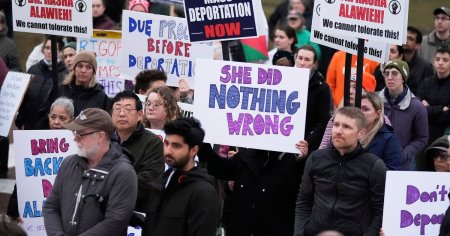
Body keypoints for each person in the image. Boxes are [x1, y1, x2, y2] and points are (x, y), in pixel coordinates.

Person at [43, 108, 138, 235]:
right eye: (74, 133)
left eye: (81, 134)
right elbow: (51, 206)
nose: (75, 139)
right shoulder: (69, 163)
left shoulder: (123, 172)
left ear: (100, 136)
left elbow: (115, 222)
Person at [295, 106, 387, 236]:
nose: (338, 131)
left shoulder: (374, 166)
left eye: (346, 127)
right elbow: (304, 200)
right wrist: (299, 233)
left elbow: (380, 211)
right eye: (336, 125)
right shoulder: (316, 158)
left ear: (361, 133)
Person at [197, 137, 308, 234]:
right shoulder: (245, 157)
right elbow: (219, 168)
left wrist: (301, 160)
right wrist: (202, 143)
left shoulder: (293, 162)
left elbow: (303, 194)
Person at [142, 117, 220, 235]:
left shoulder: (204, 193)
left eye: (176, 146)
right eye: (166, 143)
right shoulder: (163, 180)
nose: (168, 151)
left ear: (194, 150)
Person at [8, 97, 75, 220]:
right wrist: (13, 213)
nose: (56, 122)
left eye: (62, 118)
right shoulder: (34, 141)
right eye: (53, 117)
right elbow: (24, 181)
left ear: (72, 120)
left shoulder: (79, 145)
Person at [110, 91, 164, 211]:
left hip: (135, 210)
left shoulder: (153, 142)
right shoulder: (104, 138)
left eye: (128, 110)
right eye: (117, 109)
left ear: (140, 115)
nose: (122, 114)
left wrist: (110, 186)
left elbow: (149, 180)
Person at [379, 59, 429, 170]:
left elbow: (422, 138)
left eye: (394, 73)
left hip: (403, 164)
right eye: (387, 74)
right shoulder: (375, 101)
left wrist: (405, 153)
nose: (390, 77)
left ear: (403, 77)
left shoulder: (417, 107)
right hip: (376, 160)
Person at [16, 36, 67, 130]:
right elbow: (24, 97)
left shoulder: (64, 74)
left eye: (53, 48)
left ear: (60, 52)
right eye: (47, 48)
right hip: (29, 125)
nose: (49, 51)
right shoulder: (33, 69)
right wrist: (21, 121)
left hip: (50, 128)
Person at [294, 45, 331, 153]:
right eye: (300, 58)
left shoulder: (322, 88)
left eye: (307, 60)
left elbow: (323, 120)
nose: (302, 63)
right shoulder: (284, 80)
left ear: (314, 64)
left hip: (306, 143)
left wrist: (307, 142)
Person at [417, 46, 450, 147]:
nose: (440, 63)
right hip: (424, 135)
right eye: (437, 59)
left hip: (445, 137)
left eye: (445, 60)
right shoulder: (426, 82)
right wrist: (441, 108)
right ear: (434, 62)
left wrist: (428, 108)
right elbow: (418, 110)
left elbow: (448, 116)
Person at [59, 51, 111, 116]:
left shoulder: (101, 97)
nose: (83, 71)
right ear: (74, 69)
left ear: (93, 72)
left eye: (88, 67)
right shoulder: (61, 90)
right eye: (80, 66)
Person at [360, 92, 402, 170]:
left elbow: (392, 173)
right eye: (358, 109)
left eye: (365, 109)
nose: (360, 113)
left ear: (377, 114)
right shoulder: (349, 133)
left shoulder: (389, 140)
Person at [403, 26, 434, 95]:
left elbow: (429, 91)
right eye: (404, 37)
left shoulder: (426, 67)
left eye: (410, 39)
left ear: (417, 46)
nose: (405, 40)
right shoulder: (394, 61)